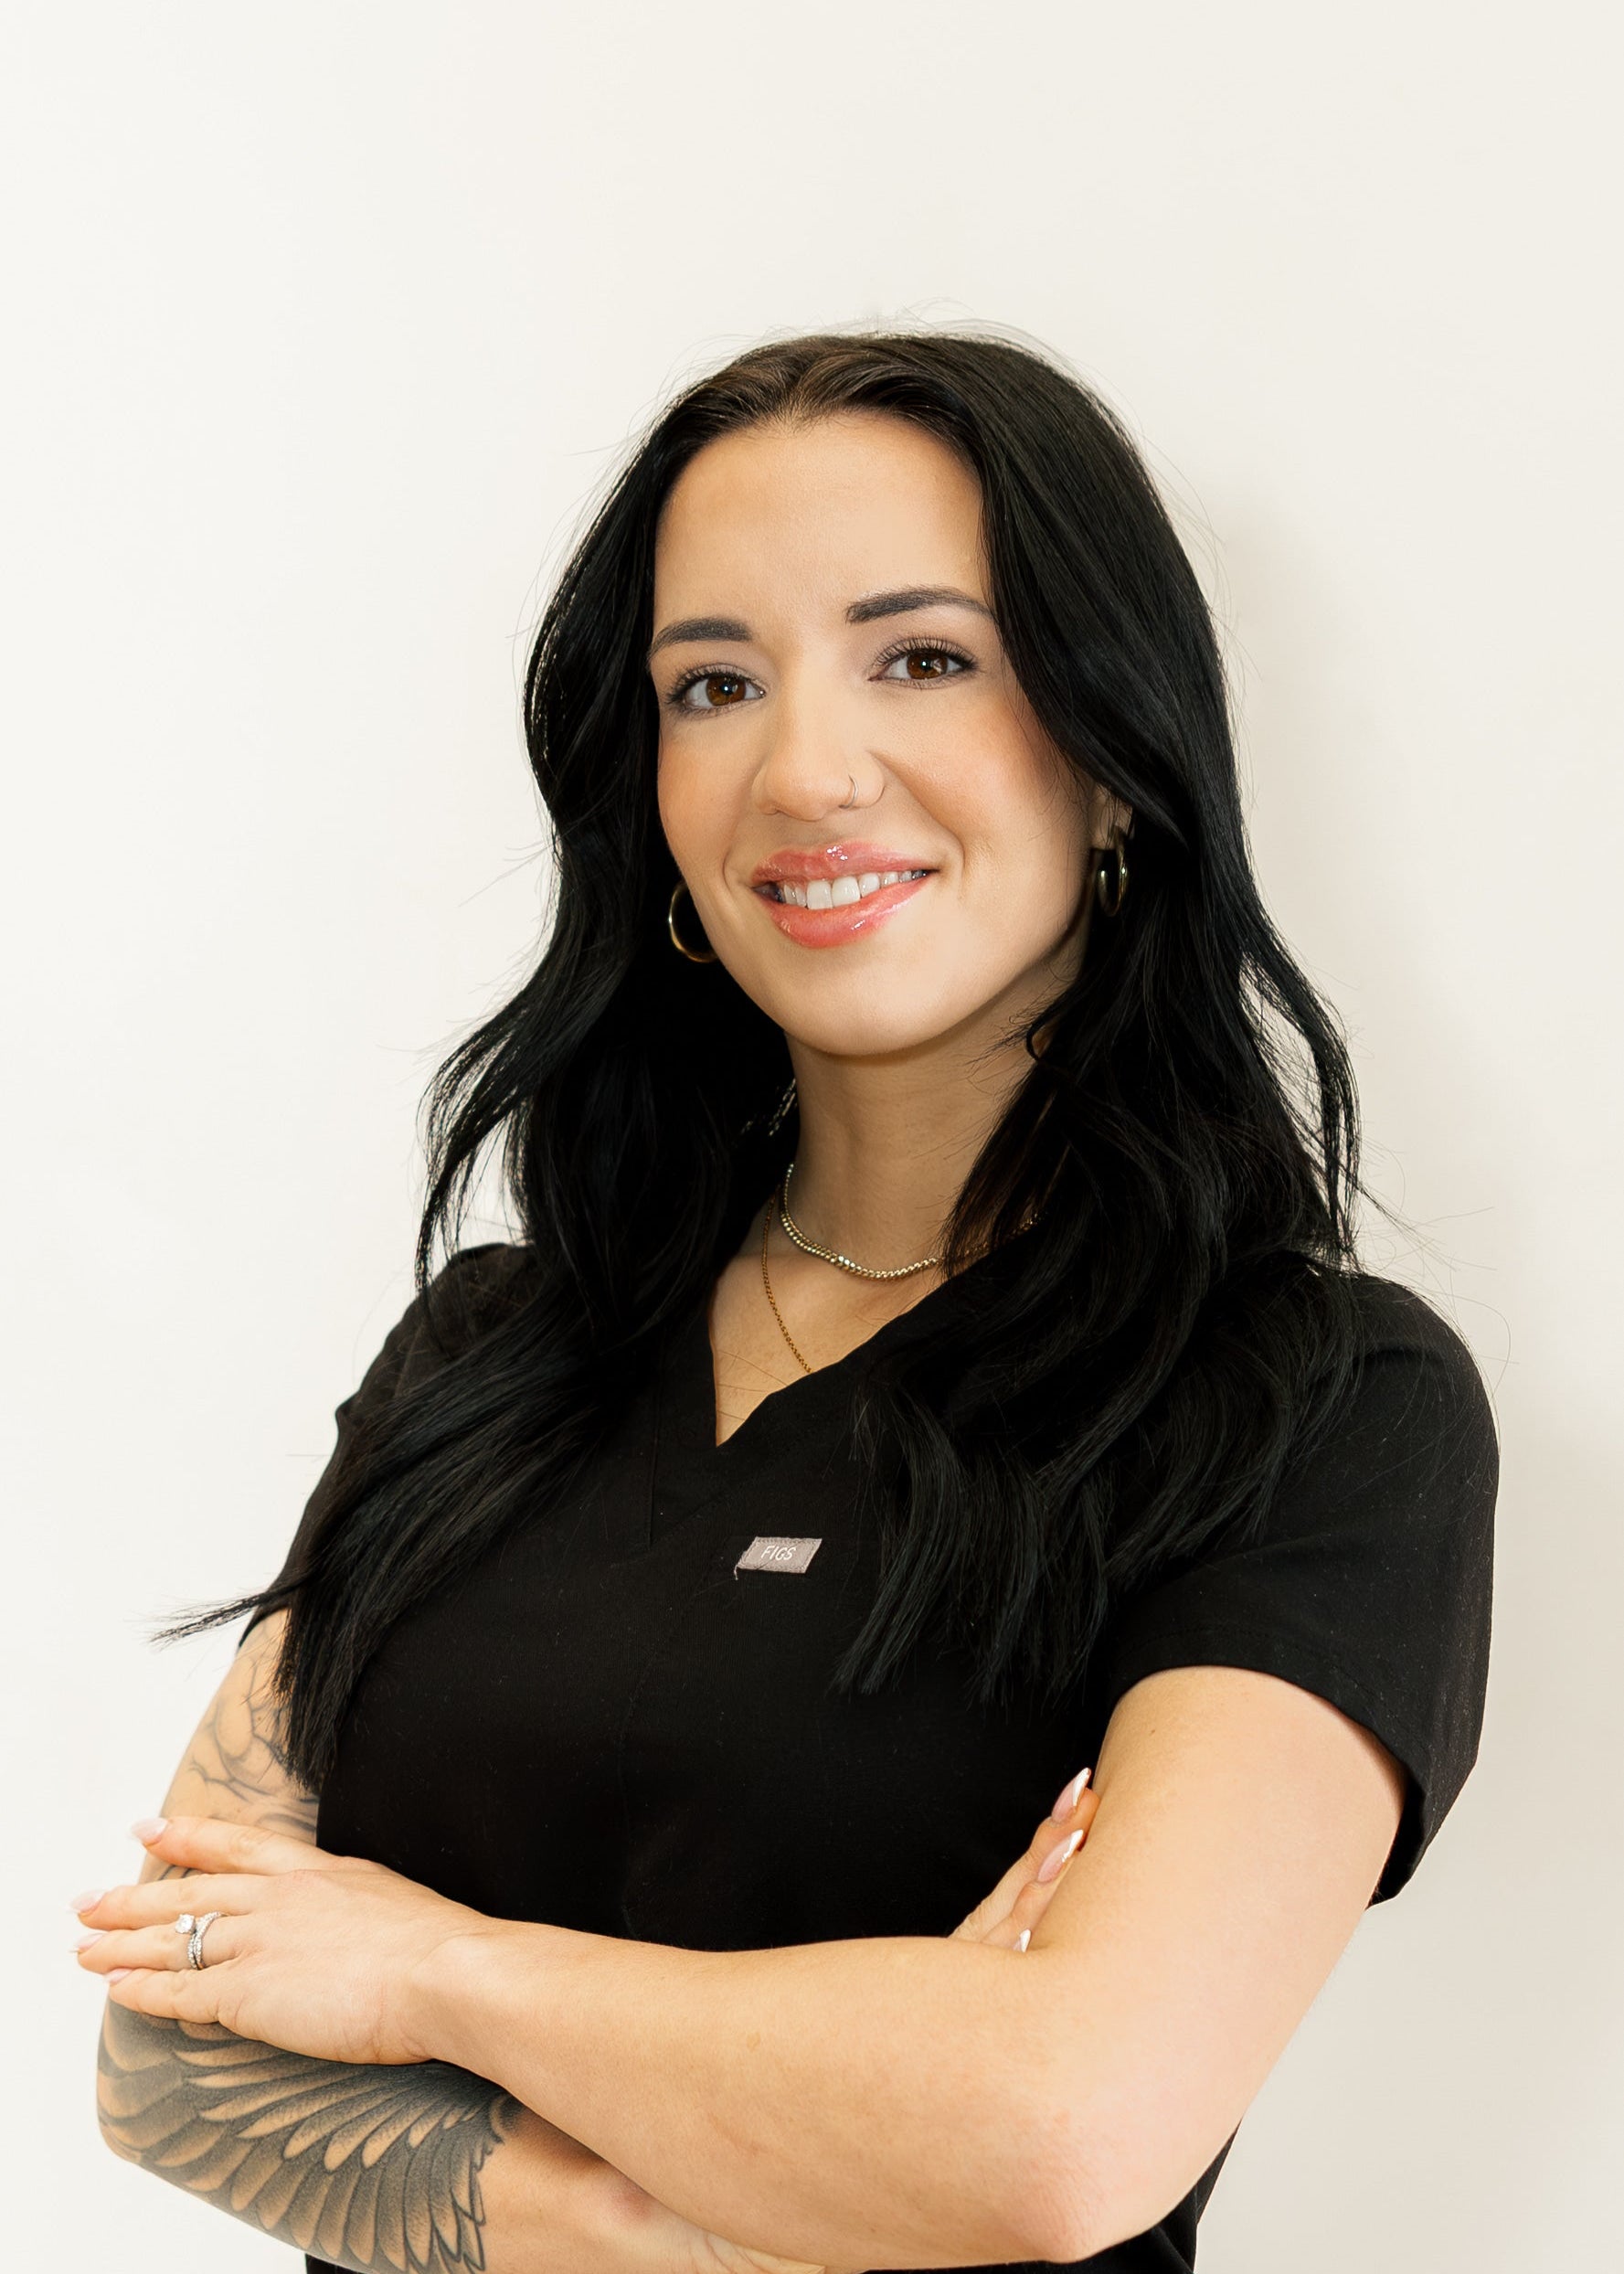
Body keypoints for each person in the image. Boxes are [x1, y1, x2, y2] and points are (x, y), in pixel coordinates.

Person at [73, 327, 1498, 2274]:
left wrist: (428, 1971)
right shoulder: (491, 1358)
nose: (804, 767)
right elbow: (163, 2050)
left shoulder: (1310, 1403)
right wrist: (766, 2167)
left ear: (1113, 757)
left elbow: (1062, 2124)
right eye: (712, 682)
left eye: (921, 654)